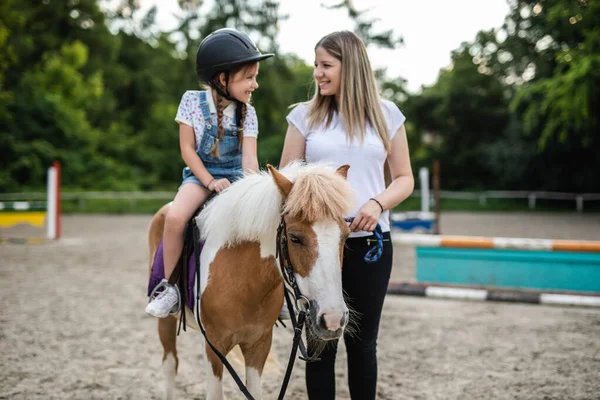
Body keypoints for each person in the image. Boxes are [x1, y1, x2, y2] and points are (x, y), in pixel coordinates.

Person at [279, 31, 414, 399]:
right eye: (316, 65)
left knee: (363, 345)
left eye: (326, 65)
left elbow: (404, 179)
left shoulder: (388, 115)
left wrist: (376, 203)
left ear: (349, 66)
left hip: (370, 244)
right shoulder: (303, 116)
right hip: (317, 249)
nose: (317, 74)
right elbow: (287, 181)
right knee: (320, 345)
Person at [145, 28, 273, 318]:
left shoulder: (248, 112)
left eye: (255, 76)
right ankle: (169, 288)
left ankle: (271, 292)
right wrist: (210, 181)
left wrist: (250, 190)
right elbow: (188, 150)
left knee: (264, 219)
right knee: (176, 217)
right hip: (201, 176)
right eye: (249, 77)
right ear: (222, 78)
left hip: (236, 177)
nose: (255, 84)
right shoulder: (191, 102)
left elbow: (249, 160)